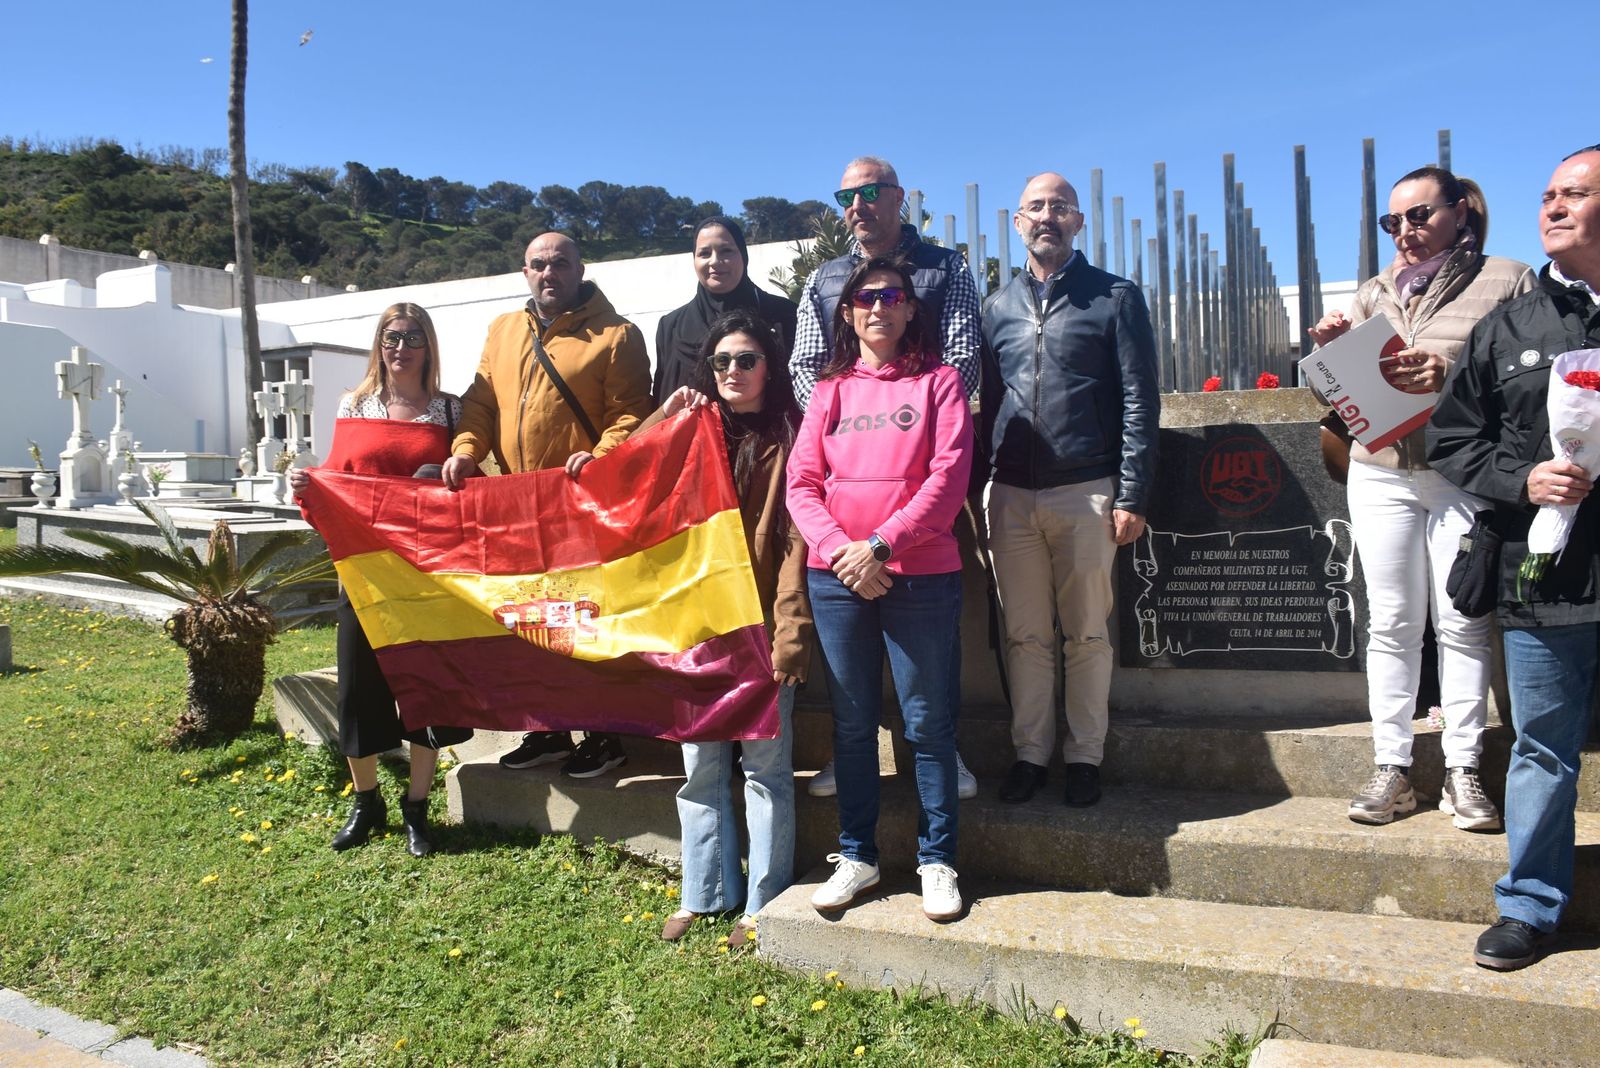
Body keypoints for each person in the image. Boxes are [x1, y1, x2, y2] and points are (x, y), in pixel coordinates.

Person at [1309, 167, 1534, 830]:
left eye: (1419, 216)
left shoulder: (1507, 280)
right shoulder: (1374, 291)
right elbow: (1333, 395)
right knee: (1391, 623)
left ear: (1461, 212)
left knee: (1462, 621)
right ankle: (1392, 768)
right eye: (1392, 222)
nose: (1404, 232)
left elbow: (1527, 385)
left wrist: (1451, 374)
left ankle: (1464, 771)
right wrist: (1332, 353)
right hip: (1379, 469)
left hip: (1462, 472)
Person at [1428, 145, 1600, 970]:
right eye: (1547, 195)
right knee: (1541, 746)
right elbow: (1451, 439)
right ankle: (1530, 906)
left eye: (1576, 194)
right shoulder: (1512, 327)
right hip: (1548, 576)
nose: (1554, 208)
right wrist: (1523, 477)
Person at [788, 255, 973, 921]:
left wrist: (882, 545)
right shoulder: (831, 389)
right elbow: (801, 485)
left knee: (927, 721)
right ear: (846, 312)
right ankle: (857, 855)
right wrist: (844, 553)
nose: (878, 307)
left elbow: (948, 479)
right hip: (838, 579)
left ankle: (938, 859)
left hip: (919, 575)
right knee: (852, 722)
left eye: (892, 295)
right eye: (865, 298)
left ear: (909, 307)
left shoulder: (940, 383)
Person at [790, 156, 981, 801]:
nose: (858, 204)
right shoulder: (825, 279)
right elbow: (807, 368)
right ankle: (857, 763)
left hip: (922, 482)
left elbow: (960, 358)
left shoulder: (945, 267)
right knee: (851, 684)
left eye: (871, 192)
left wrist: (907, 410)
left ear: (900, 197)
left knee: (930, 670)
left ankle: (940, 758)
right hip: (844, 511)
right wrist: (844, 406)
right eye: (846, 195)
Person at [442, 232, 653, 778]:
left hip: (582, 505)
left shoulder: (617, 335)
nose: (549, 273)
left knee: (589, 621)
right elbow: (481, 401)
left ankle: (606, 734)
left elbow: (632, 415)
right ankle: (549, 729)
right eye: (538, 264)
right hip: (515, 505)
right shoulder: (503, 330)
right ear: (525, 271)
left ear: (582, 268)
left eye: (560, 263)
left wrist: (599, 459)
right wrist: (467, 449)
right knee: (532, 620)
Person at [979, 172, 1159, 808]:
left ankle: (1084, 756)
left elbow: (1140, 397)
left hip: (1086, 488)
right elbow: (988, 405)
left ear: (1078, 221)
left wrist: (1133, 490)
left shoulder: (1114, 296)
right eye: (1035, 207)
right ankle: (1031, 753)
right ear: (1017, 221)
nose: (1046, 216)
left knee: (1086, 632)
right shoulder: (996, 307)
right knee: (1024, 634)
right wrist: (976, 490)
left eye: (1059, 206)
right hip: (1011, 495)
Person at [640, 310, 813, 947]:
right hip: (698, 621)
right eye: (720, 363)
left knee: (766, 769)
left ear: (770, 365)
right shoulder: (694, 428)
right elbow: (631, 471)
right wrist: (665, 415)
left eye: (746, 360)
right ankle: (703, 891)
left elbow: (800, 540)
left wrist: (790, 632)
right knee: (699, 767)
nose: (733, 372)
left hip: (761, 621)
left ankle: (763, 902)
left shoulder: (792, 433)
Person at [290, 302, 473, 857]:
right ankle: (366, 801)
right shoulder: (355, 404)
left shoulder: (449, 411)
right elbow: (338, 476)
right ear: (379, 342)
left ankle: (417, 807)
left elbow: (470, 482)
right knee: (359, 686)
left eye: (413, 337)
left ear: (428, 345)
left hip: (427, 570)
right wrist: (308, 484)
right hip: (364, 570)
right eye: (392, 337)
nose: (401, 347)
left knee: (426, 684)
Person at [653, 216, 797, 402]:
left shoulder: (784, 316)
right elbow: (660, 399)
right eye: (704, 253)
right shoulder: (671, 327)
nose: (715, 261)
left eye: (726, 251)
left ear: (743, 256)